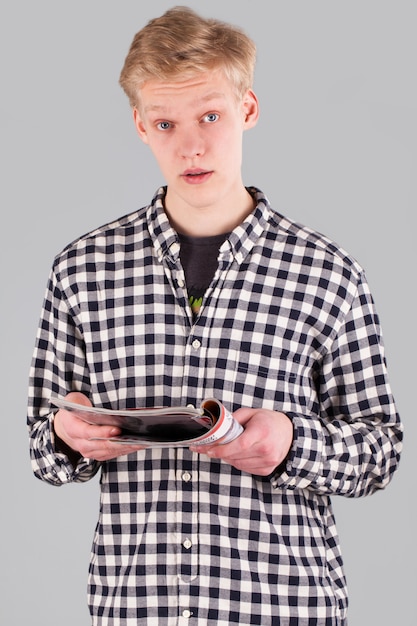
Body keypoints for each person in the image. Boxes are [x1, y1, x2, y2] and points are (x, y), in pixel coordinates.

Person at [27, 6, 403, 625]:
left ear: (248, 110)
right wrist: (68, 436)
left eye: (210, 116)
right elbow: (41, 448)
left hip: (285, 609)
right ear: (140, 126)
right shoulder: (81, 271)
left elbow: (379, 451)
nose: (192, 144)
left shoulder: (329, 273)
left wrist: (291, 444)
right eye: (166, 123)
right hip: (135, 610)